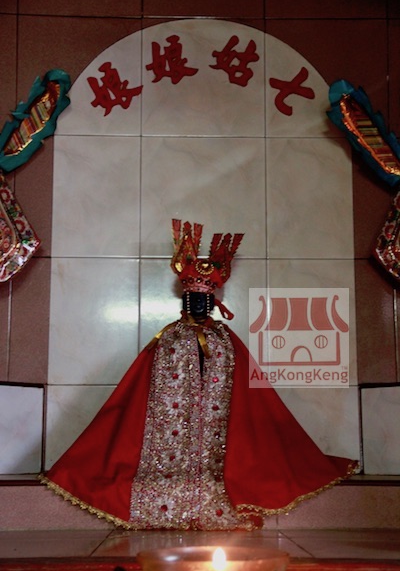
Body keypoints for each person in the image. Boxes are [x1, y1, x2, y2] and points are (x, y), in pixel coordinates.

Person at [40, 219, 357, 530]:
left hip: (218, 434)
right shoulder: (169, 338)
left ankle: (216, 471)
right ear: (184, 300)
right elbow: (139, 388)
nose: (199, 305)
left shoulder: (224, 339)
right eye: (193, 299)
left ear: (213, 301)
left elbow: (250, 393)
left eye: (204, 300)